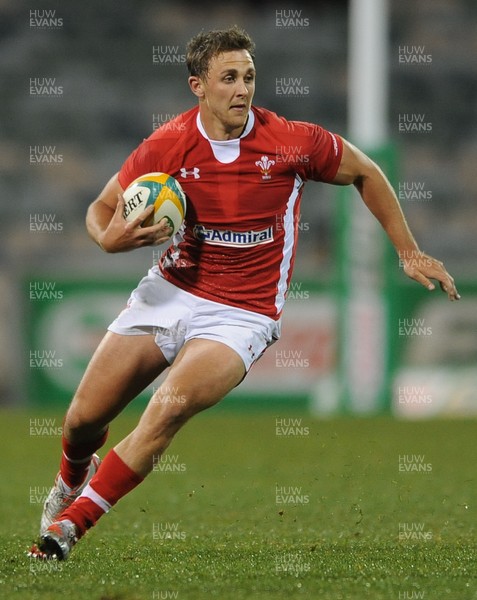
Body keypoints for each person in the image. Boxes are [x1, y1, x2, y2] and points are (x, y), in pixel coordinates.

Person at [29, 25, 459, 561]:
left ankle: (68, 527)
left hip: (243, 312)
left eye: (249, 77)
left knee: (167, 408)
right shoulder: (168, 144)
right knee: (81, 420)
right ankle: (72, 479)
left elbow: (367, 173)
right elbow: (100, 210)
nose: (242, 89)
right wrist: (110, 238)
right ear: (197, 86)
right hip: (171, 290)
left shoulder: (292, 141)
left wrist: (408, 250)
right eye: (228, 78)